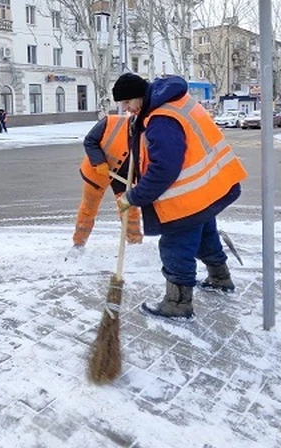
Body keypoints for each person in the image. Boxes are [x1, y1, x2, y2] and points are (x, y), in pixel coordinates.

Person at [112, 73, 248, 320]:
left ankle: (177, 303)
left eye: (127, 103)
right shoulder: (174, 102)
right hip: (208, 187)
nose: (126, 109)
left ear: (138, 97)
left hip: (187, 196)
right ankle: (220, 278)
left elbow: (163, 169)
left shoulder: (162, 119)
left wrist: (133, 197)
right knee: (206, 235)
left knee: (175, 246)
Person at [73, 113, 142, 249]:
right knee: (88, 208)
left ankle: (135, 243)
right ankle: (78, 244)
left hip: (124, 177)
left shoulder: (149, 134)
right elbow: (90, 141)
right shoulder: (110, 122)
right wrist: (99, 161)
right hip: (97, 172)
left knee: (129, 209)